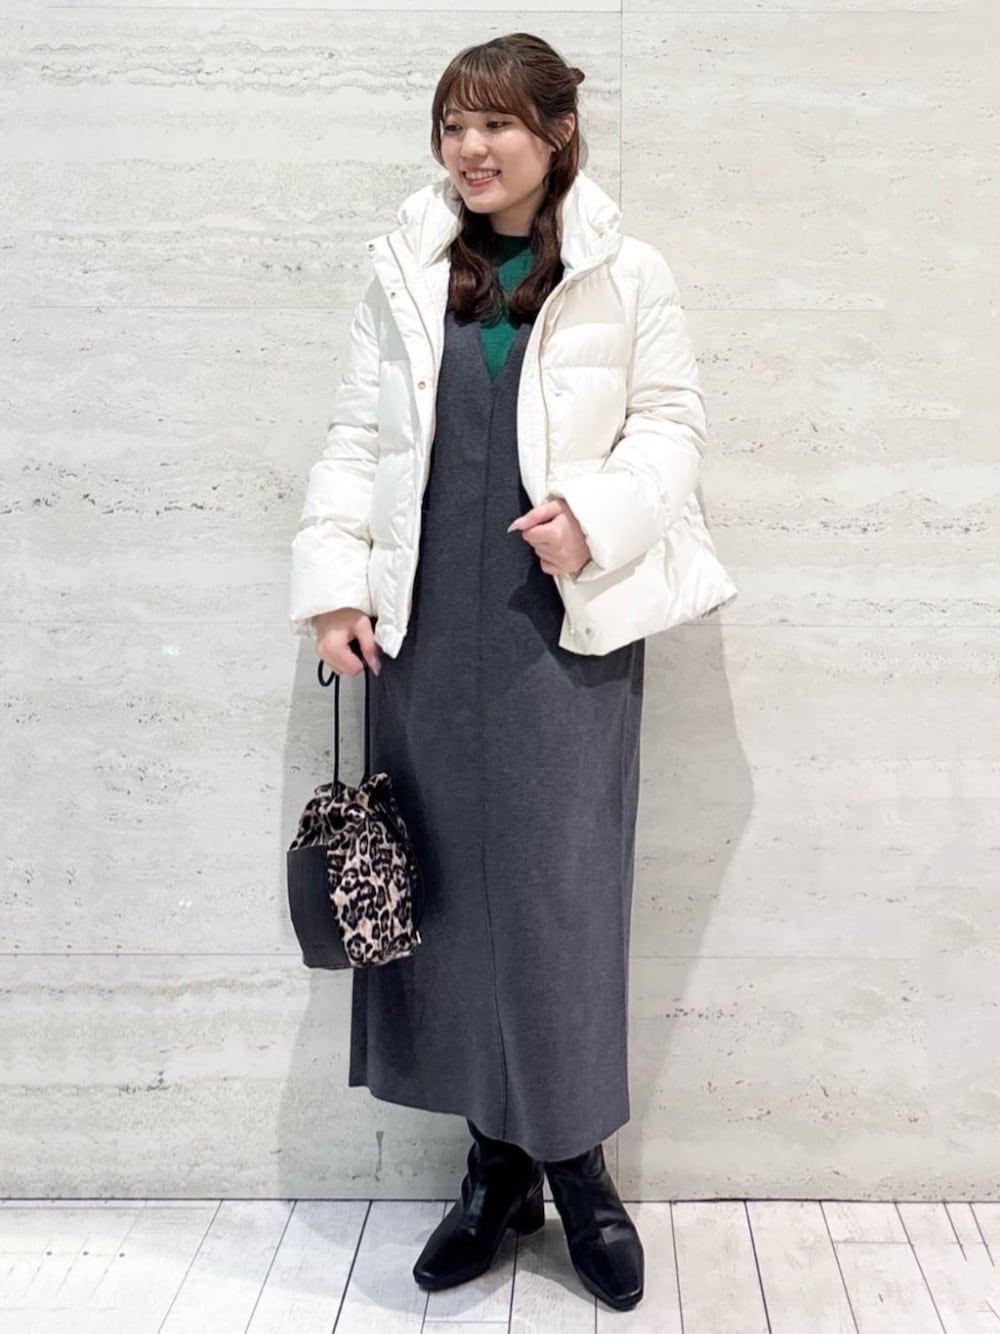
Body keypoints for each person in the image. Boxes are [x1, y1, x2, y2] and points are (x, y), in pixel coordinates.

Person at [289, 32, 737, 1314]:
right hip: (425, 624)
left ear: (555, 134)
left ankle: (575, 1164)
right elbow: (358, 434)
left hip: (563, 622)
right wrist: (334, 586)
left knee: (557, 896)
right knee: (444, 893)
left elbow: (672, 426)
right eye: (452, 125)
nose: (470, 148)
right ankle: (491, 1166)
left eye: (493, 124)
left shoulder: (624, 271)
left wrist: (594, 514)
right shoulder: (404, 267)